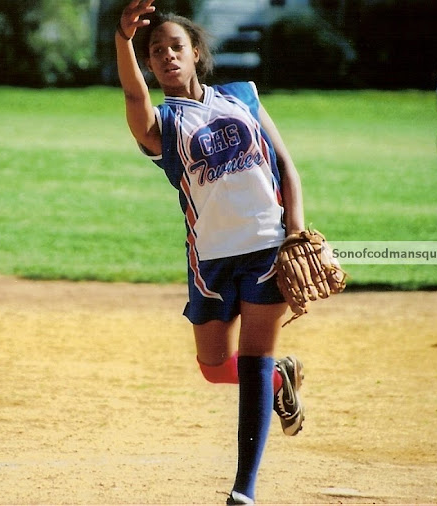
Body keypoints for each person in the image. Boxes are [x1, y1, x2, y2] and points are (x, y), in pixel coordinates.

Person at [115, 1, 307, 503]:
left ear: (196, 53)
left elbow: (286, 167)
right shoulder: (161, 124)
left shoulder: (242, 96)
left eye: (176, 47)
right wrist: (123, 40)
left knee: (250, 363)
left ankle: (243, 491)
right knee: (213, 364)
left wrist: (296, 231)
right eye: (157, 52)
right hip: (212, 259)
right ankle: (280, 381)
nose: (166, 57)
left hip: (268, 244)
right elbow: (133, 96)